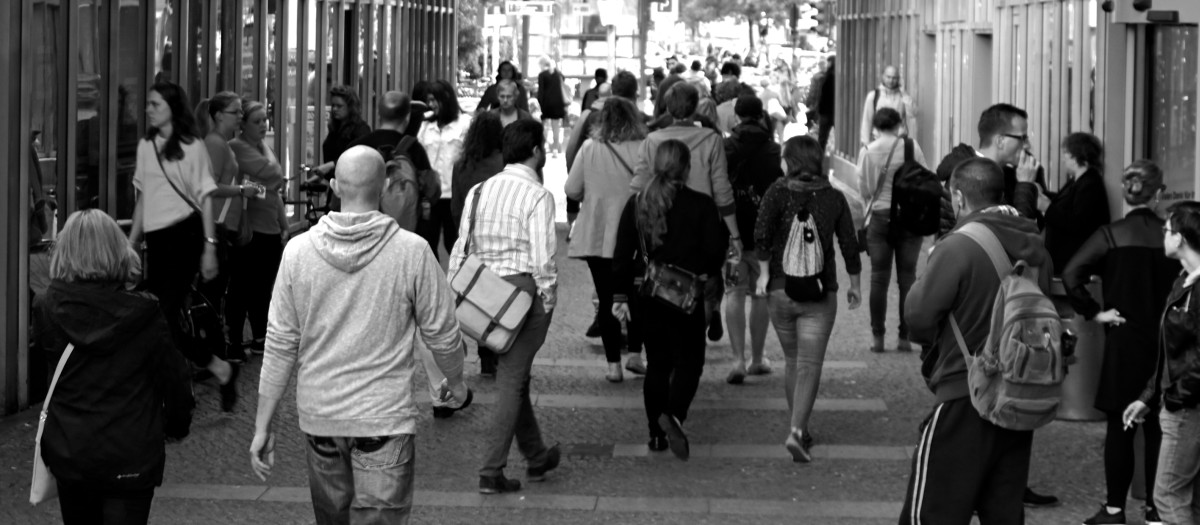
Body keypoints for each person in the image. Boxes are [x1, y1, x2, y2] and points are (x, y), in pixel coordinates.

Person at [250, 146, 471, 523]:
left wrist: (262, 426)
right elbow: (443, 335)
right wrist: (456, 382)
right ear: (384, 186)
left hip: (322, 418)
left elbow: (280, 343)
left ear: (334, 185)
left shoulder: (298, 252)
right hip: (384, 419)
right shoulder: (412, 252)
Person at [899, 157, 1053, 524]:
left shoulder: (958, 247)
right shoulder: (1034, 246)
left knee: (932, 512)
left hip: (964, 391)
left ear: (958, 197)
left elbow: (918, 318)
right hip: (1017, 397)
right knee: (1003, 512)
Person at [32, 209, 193, 525]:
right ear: (117, 251)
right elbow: (174, 381)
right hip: (130, 457)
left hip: (71, 454)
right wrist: (175, 426)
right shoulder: (145, 313)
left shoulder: (46, 308)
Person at [447, 120, 561, 494]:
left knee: (516, 377)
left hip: (483, 293)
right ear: (536, 151)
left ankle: (536, 455)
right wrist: (547, 300)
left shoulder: (479, 190)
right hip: (521, 294)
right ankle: (491, 470)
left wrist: (454, 292)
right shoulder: (538, 196)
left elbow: (461, 248)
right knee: (512, 381)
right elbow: (543, 261)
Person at [1064, 161, 1171, 525]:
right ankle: (1157, 511)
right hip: (1167, 341)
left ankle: (1114, 509)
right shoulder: (1173, 236)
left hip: (1124, 340)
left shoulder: (1110, 234)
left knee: (1120, 428)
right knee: (1160, 427)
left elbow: (1072, 273)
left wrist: (1096, 313)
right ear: (1159, 195)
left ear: (1127, 194)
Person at [613, 139, 728, 460]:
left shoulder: (637, 203)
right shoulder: (702, 205)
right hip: (685, 296)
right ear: (688, 168)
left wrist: (619, 295)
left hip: (647, 296)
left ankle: (656, 434)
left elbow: (621, 255)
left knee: (658, 365)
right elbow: (714, 254)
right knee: (690, 361)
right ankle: (674, 414)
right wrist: (702, 272)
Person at [127, 81, 237, 411]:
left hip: (186, 237)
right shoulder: (146, 146)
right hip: (157, 241)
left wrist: (208, 246)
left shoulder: (192, 146)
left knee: (160, 316)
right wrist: (132, 241)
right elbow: (144, 196)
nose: (148, 109)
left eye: (155, 104)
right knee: (159, 318)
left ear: (173, 109)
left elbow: (204, 198)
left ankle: (168, 394)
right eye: (148, 103)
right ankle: (219, 368)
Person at [754, 135, 862, 461]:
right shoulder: (834, 198)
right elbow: (849, 243)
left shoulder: (776, 192)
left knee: (792, 361)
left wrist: (761, 274)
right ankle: (798, 430)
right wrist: (855, 283)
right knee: (809, 365)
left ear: (791, 161)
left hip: (779, 291)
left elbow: (761, 233)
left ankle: (797, 425)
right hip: (819, 292)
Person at [632, 82, 741, 343]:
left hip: (660, 215)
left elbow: (637, 185)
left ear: (668, 107)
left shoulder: (652, 140)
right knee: (705, 278)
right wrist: (734, 232)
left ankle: (669, 338)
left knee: (663, 275)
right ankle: (703, 321)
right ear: (695, 108)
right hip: (703, 219)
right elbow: (722, 186)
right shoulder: (712, 140)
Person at [1123, 200, 1200, 525]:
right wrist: (1147, 396)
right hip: (1181, 402)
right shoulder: (1184, 281)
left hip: (1186, 408)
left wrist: (1174, 398)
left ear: (1180, 238)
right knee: (1189, 500)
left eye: (1167, 230)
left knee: (1168, 498)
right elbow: (1171, 350)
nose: (1163, 235)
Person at [566, 97, 650, 383]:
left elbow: (572, 188)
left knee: (606, 299)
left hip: (599, 235)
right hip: (638, 237)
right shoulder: (644, 148)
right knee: (638, 296)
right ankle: (637, 355)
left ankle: (613, 364)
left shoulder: (590, 148)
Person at [856, 107, 930, 354]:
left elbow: (864, 189)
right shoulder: (911, 147)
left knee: (879, 277)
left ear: (876, 128)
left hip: (879, 216)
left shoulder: (867, 152)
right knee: (907, 277)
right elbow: (925, 177)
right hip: (908, 218)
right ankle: (904, 338)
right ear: (899, 125)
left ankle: (878, 338)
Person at [195, 91, 262, 363]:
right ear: (219, 115)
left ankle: (213, 347)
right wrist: (240, 189)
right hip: (217, 225)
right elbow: (208, 187)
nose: (240, 117)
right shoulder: (215, 143)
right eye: (236, 112)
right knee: (213, 291)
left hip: (224, 224)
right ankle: (210, 350)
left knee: (219, 289)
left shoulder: (220, 142)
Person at [723, 96, 784, 385]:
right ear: (760, 116)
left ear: (736, 117)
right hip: (764, 236)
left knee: (733, 293)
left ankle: (737, 359)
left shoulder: (726, 147)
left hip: (732, 233)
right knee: (760, 295)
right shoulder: (773, 150)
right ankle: (757, 359)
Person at [228, 100, 289, 358]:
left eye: (265, 120)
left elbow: (270, 187)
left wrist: (284, 222)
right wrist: (268, 186)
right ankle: (234, 341)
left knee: (263, 287)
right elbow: (271, 175)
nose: (264, 125)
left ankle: (259, 336)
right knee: (242, 286)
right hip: (250, 228)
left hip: (270, 227)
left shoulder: (262, 147)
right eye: (257, 121)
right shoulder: (237, 148)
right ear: (242, 125)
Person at [936, 103, 1046, 235]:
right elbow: (1014, 238)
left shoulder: (1012, 174)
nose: (1027, 145)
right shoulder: (966, 178)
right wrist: (1025, 187)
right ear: (1000, 141)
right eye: (1022, 138)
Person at [347, 90, 439, 233]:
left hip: (363, 228)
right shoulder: (414, 149)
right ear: (407, 117)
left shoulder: (358, 147)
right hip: (403, 231)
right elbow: (432, 190)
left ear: (379, 116)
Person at [417, 79, 471, 259]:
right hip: (430, 196)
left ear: (445, 99)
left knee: (454, 243)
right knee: (427, 244)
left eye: (434, 100)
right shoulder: (425, 125)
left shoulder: (464, 124)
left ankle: (461, 284)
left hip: (453, 195)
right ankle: (434, 283)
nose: (430, 105)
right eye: (428, 100)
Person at [1044, 132, 1110, 273]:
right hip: (1068, 260)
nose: (1063, 159)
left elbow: (1078, 222)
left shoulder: (1090, 184)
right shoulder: (1080, 181)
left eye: (1066, 153)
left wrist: (1046, 207)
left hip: (1073, 261)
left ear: (1076, 156)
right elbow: (1066, 202)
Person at [566, 70, 642, 171]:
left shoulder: (592, 118)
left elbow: (572, 152)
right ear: (635, 95)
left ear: (612, 93)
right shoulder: (645, 122)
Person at [451, 111, 506, 233]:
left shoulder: (461, 164)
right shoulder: (506, 163)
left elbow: (456, 207)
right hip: (500, 230)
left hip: (470, 230)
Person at [314, 85, 372, 181]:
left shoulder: (361, 129)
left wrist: (330, 165)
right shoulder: (335, 128)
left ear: (350, 107)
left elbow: (361, 159)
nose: (334, 109)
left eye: (339, 106)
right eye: (333, 105)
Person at [859, 65, 918, 149]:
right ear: (883, 77)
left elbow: (913, 114)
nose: (891, 81)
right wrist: (866, 143)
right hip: (878, 141)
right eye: (888, 77)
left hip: (899, 141)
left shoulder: (903, 96)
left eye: (894, 78)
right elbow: (867, 120)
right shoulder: (873, 96)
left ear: (899, 79)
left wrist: (904, 94)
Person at [536, 57, 568, 156]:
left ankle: (544, 147)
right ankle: (555, 148)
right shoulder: (558, 74)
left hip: (546, 103)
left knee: (545, 125)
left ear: (542, 64)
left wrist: (540, 104)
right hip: (558, 103)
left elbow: (541, 92)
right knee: (556, 126)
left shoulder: (542, 75)